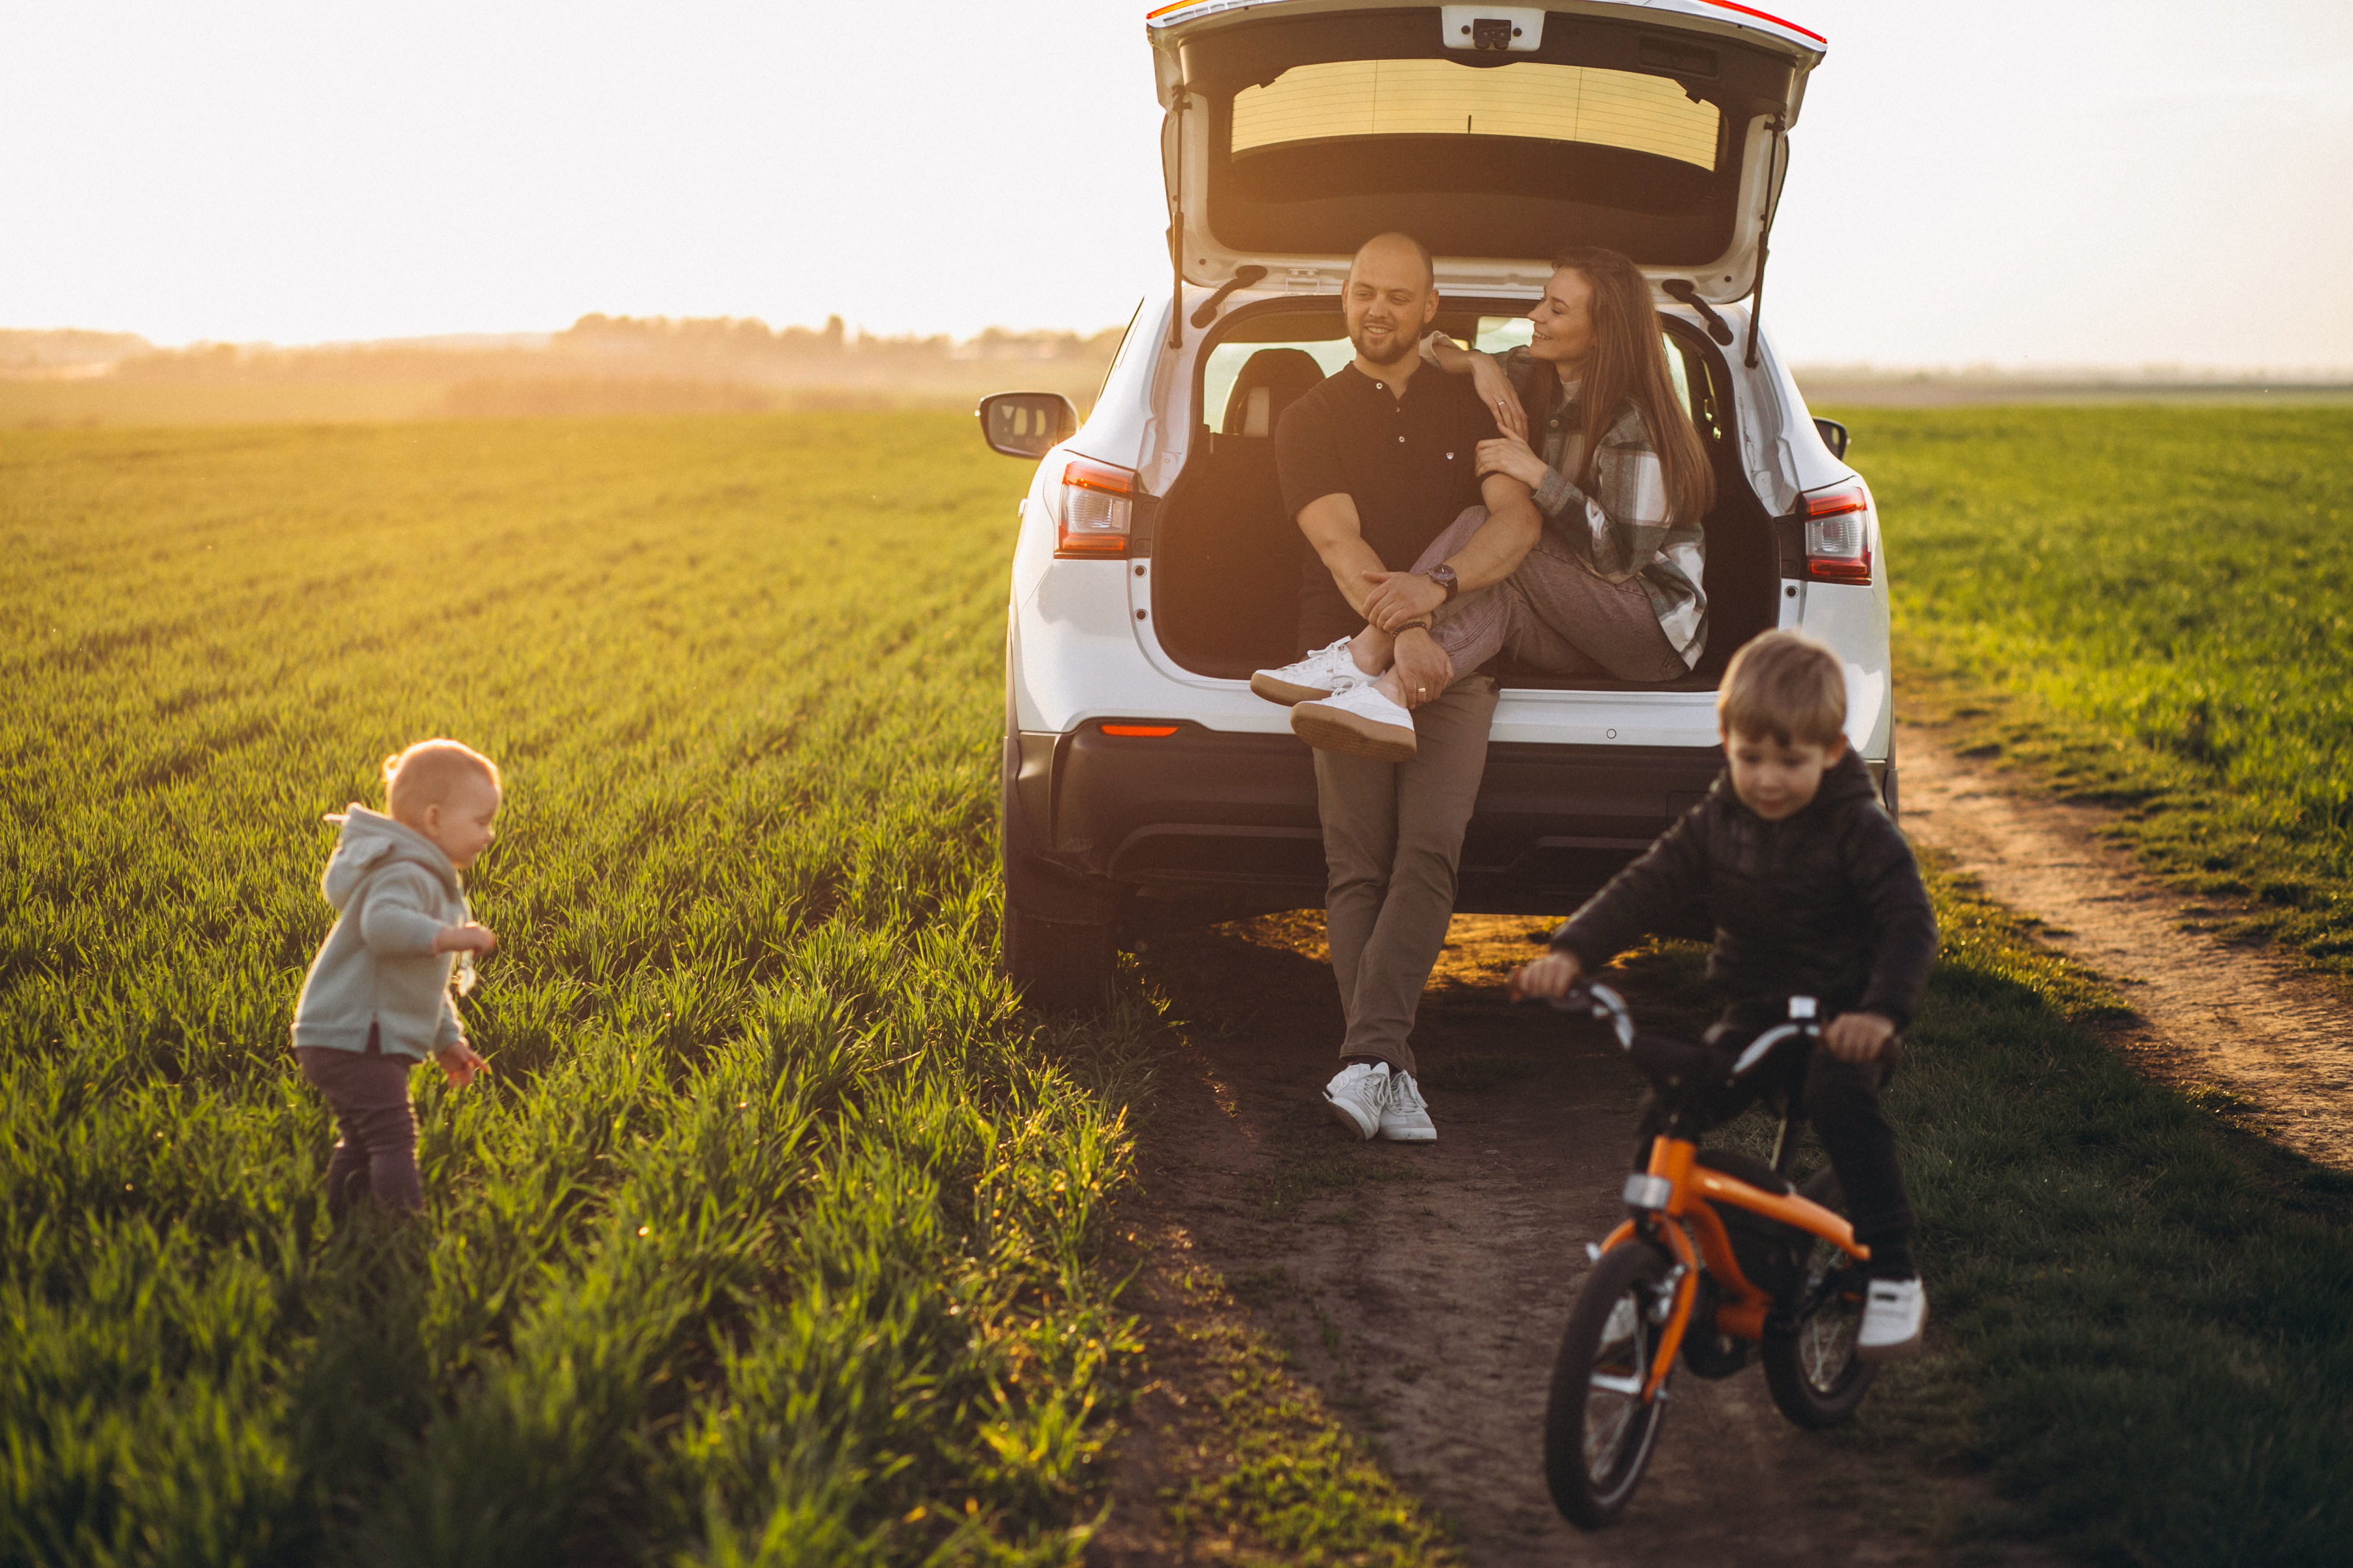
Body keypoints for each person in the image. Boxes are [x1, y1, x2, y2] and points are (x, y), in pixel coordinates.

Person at [1510, 631, 1937, 1358]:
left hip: (1842, 1017)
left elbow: (1908, 921)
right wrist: (1571, 951)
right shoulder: (1718, 817)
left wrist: (1878, 1013)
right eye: (1749, 759)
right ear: (1724, 742)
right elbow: (1648, 884)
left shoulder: (1854, 826)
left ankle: (1893, 1272)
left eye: (1790, 762)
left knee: (1839, 1101)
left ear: (1832, 752)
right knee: (1670, 1101)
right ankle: (1649, 1272)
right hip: (1759, 1009)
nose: (1767, 780)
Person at [1250, 231, 1544, 1144]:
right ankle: (1385, 1066)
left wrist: (1440, 603)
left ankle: (1367, 1064)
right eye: (1359, 293)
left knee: (1428, 856)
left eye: (1395, 296)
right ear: (1344, 301)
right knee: (1357, 867)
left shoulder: (1471, 403)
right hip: (1346, 661)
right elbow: (1339, 547)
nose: (1374, 309)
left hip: (1456, 663)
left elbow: (1517, 521)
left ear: (1428, 308)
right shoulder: (1309, 417)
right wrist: (1405, 630)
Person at [1276, 243, 1714, 721]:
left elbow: (1618, 560)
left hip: (1649, 633)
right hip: (1579, 628)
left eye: (1555, 308)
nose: (1534, 314)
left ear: (1599, 335)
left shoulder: (1633, 425)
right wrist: (1477, 363)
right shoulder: (1533, 372)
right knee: (1498, 592)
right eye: (1543, 300)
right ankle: (1388, 698)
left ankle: (1366, 650)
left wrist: (1538, 476)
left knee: (1489, 524)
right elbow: (1416, 347)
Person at [290, 737, 499, 1221]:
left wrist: (447, 1039)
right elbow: (381, 927)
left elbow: (418, 980)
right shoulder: (406, 872)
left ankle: (345, 1222)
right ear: (432, 819)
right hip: (357, 1036)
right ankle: (401, 1232)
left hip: (339, 1033)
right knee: (392, 1136)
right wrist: (449, 935)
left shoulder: (422, 873)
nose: (489, 835)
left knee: (363, 1137)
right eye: (481, 822)